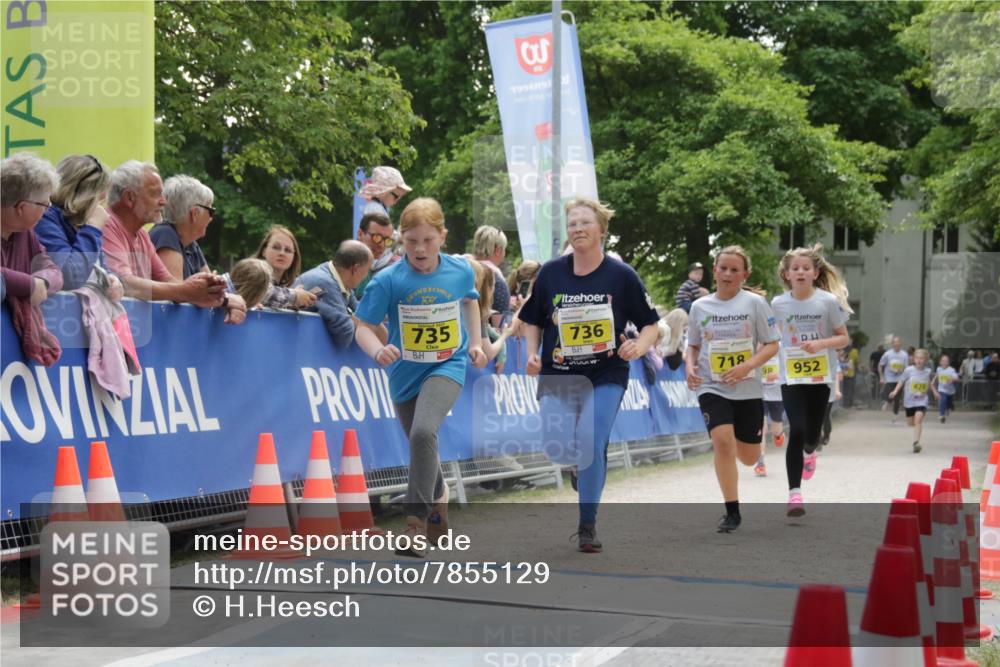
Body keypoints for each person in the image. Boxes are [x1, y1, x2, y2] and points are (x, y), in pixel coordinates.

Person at [519, 198, 659, 551]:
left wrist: (638, 347)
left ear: (601, 230)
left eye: (585, 222)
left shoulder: (621, 275)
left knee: (590, 441)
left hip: (605, 372)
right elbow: (531, 319)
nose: (578, 228)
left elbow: (650, 325)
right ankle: (580, 466)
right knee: (559, 443)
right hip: (559, 373)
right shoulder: (551, 273)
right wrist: (532, 353)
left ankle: (587, 525)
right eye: (572, 224)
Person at [354, 198, 485, 558]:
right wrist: (377, 351)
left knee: (424, 432)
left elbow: (471, 301)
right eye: (411, 241)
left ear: (442, 236)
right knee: (420, 442)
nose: (420, 249)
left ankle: (414, 525)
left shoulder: (459, 270)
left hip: (448, 365)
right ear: (400, 239)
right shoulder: (388, 281)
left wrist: (475, 342)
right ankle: (438, 502)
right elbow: (362, 327)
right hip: (403, 375)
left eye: (428, 240)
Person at [686, 246, 779, 532]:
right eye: (722, 268)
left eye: (734, 269)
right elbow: (693, 345)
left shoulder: (755, 303)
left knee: (749, 458)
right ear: (714, 271)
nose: (727, 274)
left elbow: (773, 344)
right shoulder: (699, 306)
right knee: (722, 442)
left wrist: (746, 367)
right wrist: (689, 367)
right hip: (712, 386)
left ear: (744, 274)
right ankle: (732, 511)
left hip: (747, 388)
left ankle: (749, 444)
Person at [101, 161, 246, 323]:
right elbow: (125, 284)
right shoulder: (106, 224)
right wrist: (189, 290)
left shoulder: (141, 234)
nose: (163, 201)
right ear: (129, 198)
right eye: (155, 194)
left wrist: (208, 290)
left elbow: (169, 282)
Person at [770, 244, 850, 517]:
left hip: (820, 376)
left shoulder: (826, 302)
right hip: (791, 377)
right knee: (798, 428)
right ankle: (795, 494)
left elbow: (843, 337)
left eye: (806, 268)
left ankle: (811, 452)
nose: (801, 272)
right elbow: (773, 338)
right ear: (787, 274)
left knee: (812, 435)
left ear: (815, 273)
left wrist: (821, 344)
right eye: (795, 268)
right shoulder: (778, 304)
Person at [1, 153, 64, 365]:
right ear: (22, 207)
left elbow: (53, 270)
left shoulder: (26, 233)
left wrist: (42, 282)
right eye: (45, 205)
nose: (47, 211)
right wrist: (29, 285)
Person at [35, 154, 121, 295]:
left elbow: (98, 267)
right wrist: (92, 228)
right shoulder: (45, 218)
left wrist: (113, 280)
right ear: (83, 193)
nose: (104, 198)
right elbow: (68, 277)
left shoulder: (78, 222)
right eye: (99, 193)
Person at [295, 241, 376, 348]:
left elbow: (361, 312)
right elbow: (344, 335)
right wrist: (356, 321)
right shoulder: (325, 283)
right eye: (367, 271)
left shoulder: (340, 280)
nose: (366, 276)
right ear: (355, 268)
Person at [150, 175, 214, 280]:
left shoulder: (190, 244)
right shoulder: (165, 235)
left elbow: (212, 286)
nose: (211, 218)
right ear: (195, 214)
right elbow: (175, 293)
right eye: (211, 212)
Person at [253, 225, 316, 310]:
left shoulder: (284, 286)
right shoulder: (252, 270)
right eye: (276, 247)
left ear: (294, 257)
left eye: (288, 250)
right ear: (264, 251)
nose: (282, 253)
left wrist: (295, 304)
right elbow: (262, 293)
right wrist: (295, 296)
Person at [889, 349, 936, 453]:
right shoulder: (908, 370)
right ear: (914, 359)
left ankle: (916, 443)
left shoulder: (928, 371)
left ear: (925, 360)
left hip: (922, 401)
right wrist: (895, 391)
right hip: (909, 401)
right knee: (911, 423)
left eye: (921, 358)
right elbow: (901, 381)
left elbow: (931, 382)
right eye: (917, 358)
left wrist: (935, 392)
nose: (919, 360)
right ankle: (916, 431)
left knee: (918, 420)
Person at [354, 209, 401, 299]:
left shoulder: (396, 267)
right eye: (377, 237)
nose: (382, 245)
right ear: (360, 234)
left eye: (387, 240)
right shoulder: (344, 264)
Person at [473, 225, 512, 329]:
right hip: (487, 341)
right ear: (498, 250)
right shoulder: (497, 281)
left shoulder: (465, 271)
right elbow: (498, 327)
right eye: (504, 250)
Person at [878, 337, 909, 421]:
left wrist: (901, 371)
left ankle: (895, 414)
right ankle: (887, 401)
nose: (896, 345)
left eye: (898, 343)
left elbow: (906, 368)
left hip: (900, 378)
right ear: (892, 344)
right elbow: (880, 365)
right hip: (889, 378)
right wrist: (881, 377)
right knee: (887, 392)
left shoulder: (904, 354)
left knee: (897, 398)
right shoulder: (887, 354)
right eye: (894, 343)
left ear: (900, 344)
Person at [932, 354, 959, 423]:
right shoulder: (939, 369)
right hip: (941, 389)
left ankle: (948, 408)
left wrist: (952, 379)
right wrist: (933, 380)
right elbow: (937, 375)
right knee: (942, 400)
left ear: (948, 363)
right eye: (943, 361)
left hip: (950, 391)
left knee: (948, 403)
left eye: (946, 361)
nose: (944, 362)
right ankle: (942, 415)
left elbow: (956, 377)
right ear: (940, 362)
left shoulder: (951, 370)